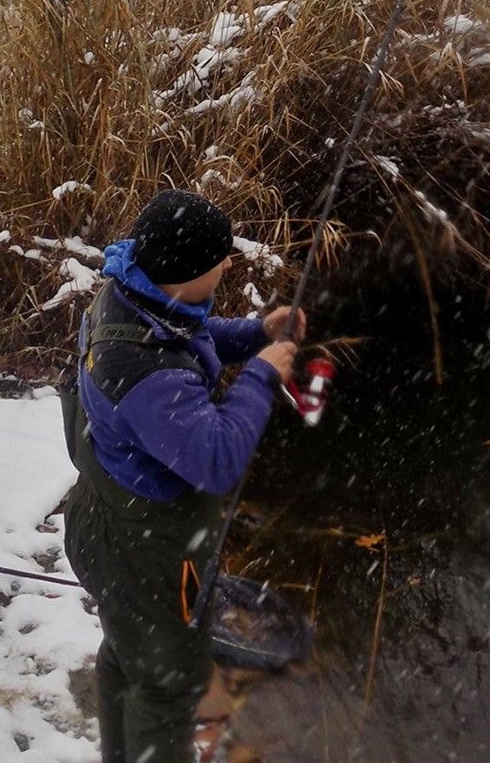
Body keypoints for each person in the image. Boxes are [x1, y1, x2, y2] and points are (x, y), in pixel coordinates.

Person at [62, 188, 305, 763]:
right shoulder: (146, 374)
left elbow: (187, 336)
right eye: (218, 259)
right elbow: (217, 459)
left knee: (127, 651)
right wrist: (260, 378)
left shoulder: (130, 295)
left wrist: (254, 335)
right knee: (170, 686)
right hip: (143, 552)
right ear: (184, 272)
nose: (228, 264)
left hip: (103, 519)